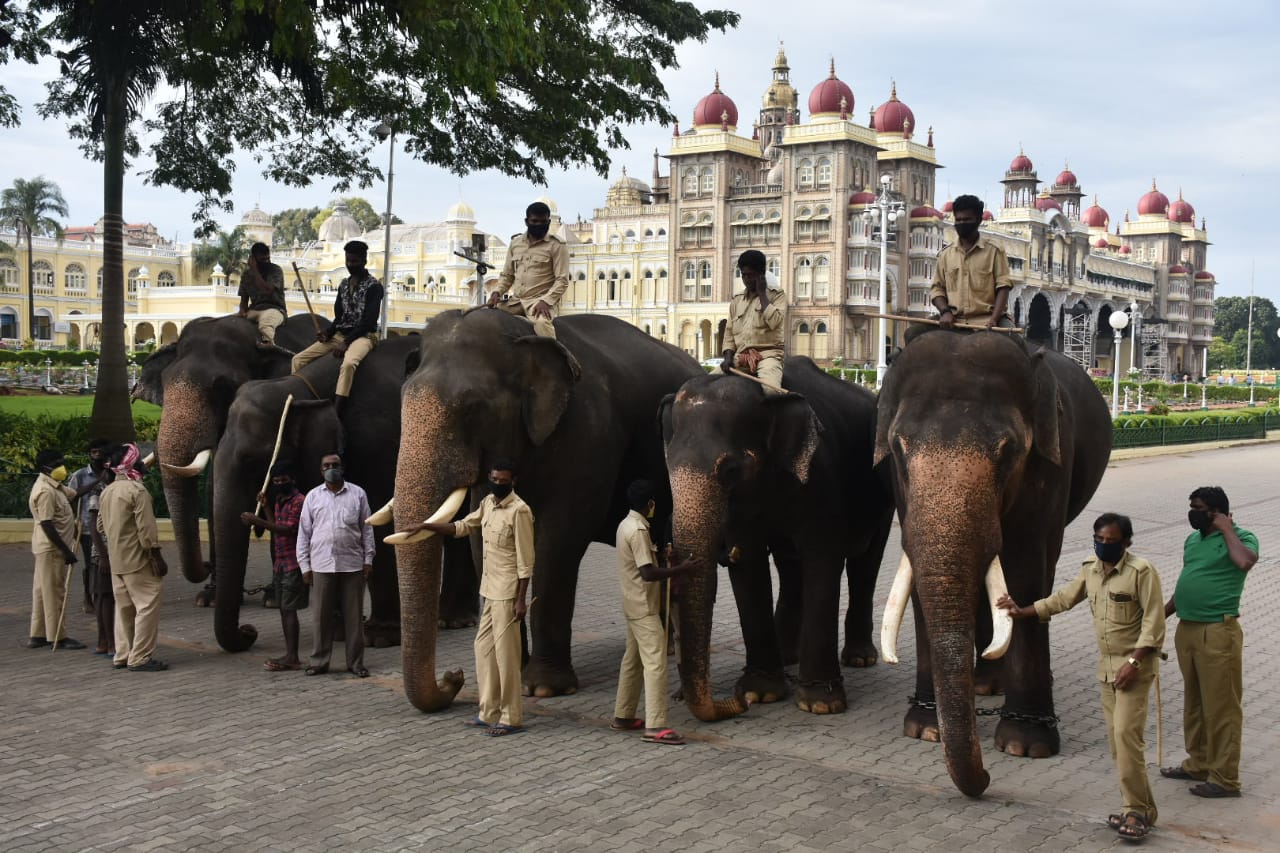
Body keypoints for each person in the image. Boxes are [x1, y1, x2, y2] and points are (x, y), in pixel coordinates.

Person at [998, 513, 1165, 841]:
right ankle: (1141, 809)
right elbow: (1063, 599)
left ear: (1126, 542)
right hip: (1107, 669)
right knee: (1119, 747)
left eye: (1111, 541)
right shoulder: (1090, 568)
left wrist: (1133, 661)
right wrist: (1022, 611)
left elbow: (1154, 625)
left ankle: (1136, 810)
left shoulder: (1141, 573)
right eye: (1099, 539)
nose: (1104, 545)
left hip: (1135, 668)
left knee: (1126, 738)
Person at [411, 460, 533, 736]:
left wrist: (521, 599)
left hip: (507, 594)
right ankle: (488, 711)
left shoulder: (520, 511)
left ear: (513, 481)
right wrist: (429, 526)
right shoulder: (488, 502)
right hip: (489, 591)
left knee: (507, 657)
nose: (497, 484)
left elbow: (526, 562)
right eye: (493, 479)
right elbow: (464, 526)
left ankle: (511, 717)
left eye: (503, 480)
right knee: (483, 651)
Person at [1161, 486, 1258, 798]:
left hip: (1218, 631)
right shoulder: (1192, 540)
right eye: (1191, 506)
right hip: (1187, 629)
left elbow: (1244, 562)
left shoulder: (1243, 537)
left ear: (1217, 512)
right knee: (1195, 703)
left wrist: (1227, 529)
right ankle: (1198, 762)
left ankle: (1225, 778)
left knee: (1222, 708)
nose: (1192, 512)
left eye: (1198, 507)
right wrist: (1160, 615)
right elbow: (1187, 581)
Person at [610, 480, 701, 745]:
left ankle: (624, 715)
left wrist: (665, 559)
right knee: (656, 664)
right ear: (650, 504)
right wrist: (682, 569)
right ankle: (656, 725)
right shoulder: (638, 530)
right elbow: (647, 573)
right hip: (644, 607)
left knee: (633, 660)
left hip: (632, 603)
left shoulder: (625, 524)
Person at [297, 453, 374, 678]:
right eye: (327, 466)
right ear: (321, 470)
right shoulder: (313, 497)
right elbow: (304, 533)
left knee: (354, 617)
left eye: (335, 465)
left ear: (343, 467)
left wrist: (368, 559)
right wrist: (305, 566)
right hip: (321, 565)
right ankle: (319, 661)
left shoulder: (357, 494)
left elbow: (367, 529)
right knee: (321, 617)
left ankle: (356, 663)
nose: (331, 468)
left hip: (352, 565)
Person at [290, 240, 384, 417]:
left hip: (364, 336)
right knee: (297, 360)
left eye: (354, 261)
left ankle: (337, 411)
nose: (350, 265)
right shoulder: (342, 285)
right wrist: (328, 333)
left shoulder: (374, 287)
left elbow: (368, 321)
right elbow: (340, 317)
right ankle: (300, 399)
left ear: (364, 261)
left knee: (348, 364)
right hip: (341, 335)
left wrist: (346, 343)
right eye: (348, 261)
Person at [98, 444, 169, 671]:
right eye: (139, 461)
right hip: (138, 559)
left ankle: (123, 654)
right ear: (132, 464)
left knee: (124, 609)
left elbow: (100, 525)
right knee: (147, 606)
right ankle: (140, 657)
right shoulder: (137, 491)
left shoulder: (107, 491)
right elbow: (146, 531)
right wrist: (156, 557)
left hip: (117, 559)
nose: (141, 464)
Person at [241, 461, 309, 671]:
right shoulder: (279, 499)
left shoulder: (299, 501)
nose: (279, 484)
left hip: (293, 563)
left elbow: (288, 530)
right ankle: (290, 654)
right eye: (276, 481)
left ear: (292, 479)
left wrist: (257, 521)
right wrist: (267, 507)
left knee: (289, 610)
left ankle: (293, 656)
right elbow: (276, 526)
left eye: (283, 480)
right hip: (280, 562)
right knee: (283, 609)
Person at [25, 448, 86, 650]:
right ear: (46, 467)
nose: (61, 466)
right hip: (51, 550)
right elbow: (46, 524)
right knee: (55, 593)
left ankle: (38, 634)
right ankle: (58, 636)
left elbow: (75, 494)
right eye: (57, 463)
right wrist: (66, 551)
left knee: (43, 592)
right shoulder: (44, 491)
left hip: (49, 549)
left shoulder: (55, 486)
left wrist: (100, 477)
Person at [930, 194, 1012, 330]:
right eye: (959, 220)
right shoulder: (945, 255)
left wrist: (994, 319)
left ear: (979, 220)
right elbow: (937, 289)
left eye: (967, 219)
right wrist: (945, 312)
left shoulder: (995, 251)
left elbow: (1003, 287)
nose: (962, 223)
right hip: (953, 319)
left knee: (1016, 341)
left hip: (987, 318)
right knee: (912, 332)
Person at [489, 201, 568, 339]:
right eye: (534, 221)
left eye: (543, 221)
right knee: (484, 317)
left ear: (549, 222)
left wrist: (546, 301)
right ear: (527, 221)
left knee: (542, 325)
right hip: (515, 302)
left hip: (539, 303)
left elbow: (562, 281)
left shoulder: (557, 245)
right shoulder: (516, 244)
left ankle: (552, 359)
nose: (538, 225)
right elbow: (507, 275)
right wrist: (497, 292)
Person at [719, 249, 786, 393]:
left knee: (771, 391)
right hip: (741, 358)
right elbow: (729, 333)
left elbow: (775, 322)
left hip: (767, 357)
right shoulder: (737, 300)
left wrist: (762, 294)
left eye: (751, 275)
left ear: (761, 274)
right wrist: (728, 357)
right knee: (706, 384)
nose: (747, 279)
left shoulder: (777, 295)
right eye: (744, 275)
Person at [67, 438, 110, 614]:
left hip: (108, 527)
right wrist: (73, 523)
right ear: (89, 454)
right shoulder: (79, 475)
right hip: (86, 528)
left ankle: (103, 595)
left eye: (100, 451)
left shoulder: (112, 473)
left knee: (105, 563)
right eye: (94, 452)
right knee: (90, 564)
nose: (97, 455)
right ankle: (87, 596)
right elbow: (71, 497)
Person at [238, 242, 287, 345]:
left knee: (265, 325)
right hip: (254, 310)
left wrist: (255, 270)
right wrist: (242, 311)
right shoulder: (246, 275)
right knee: (231, 324)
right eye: (262, 260)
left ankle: (270, 345)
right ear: (252, 259)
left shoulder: (275, 270)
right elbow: (244, 301)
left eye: (268, 259)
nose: (266, 262)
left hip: (275, 309)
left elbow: (267, 290)